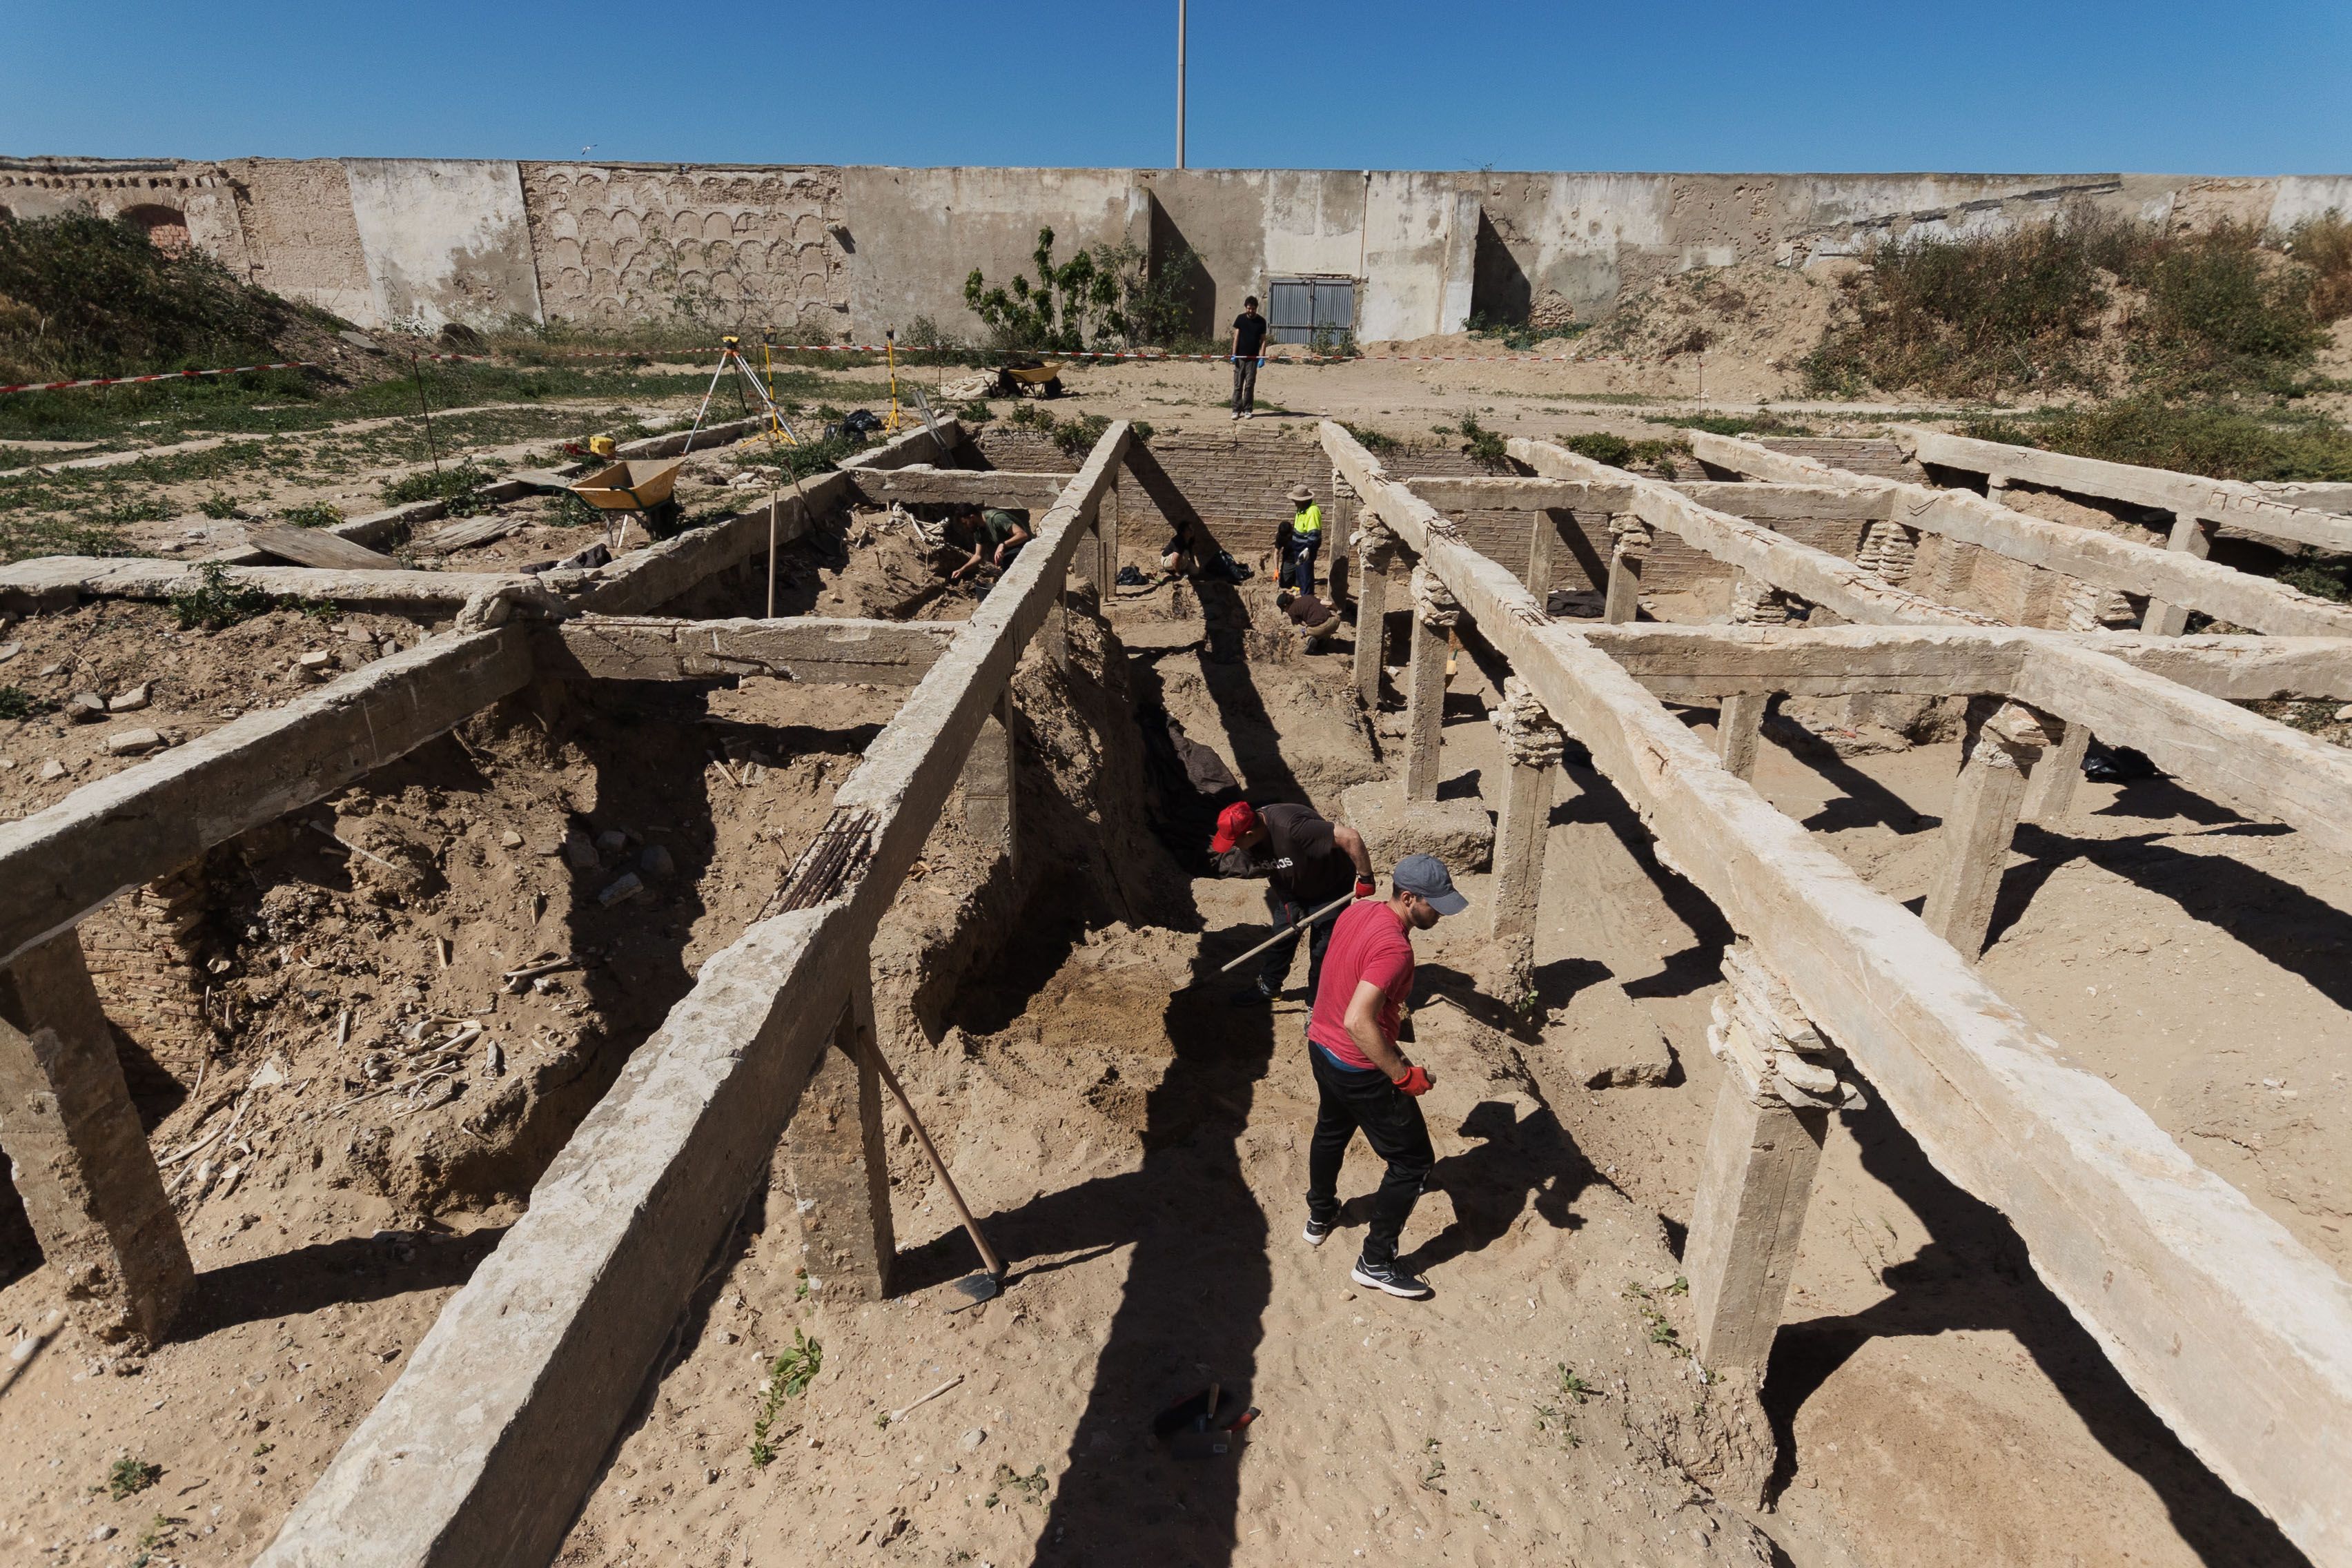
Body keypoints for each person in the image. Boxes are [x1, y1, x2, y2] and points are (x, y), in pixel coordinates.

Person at [1302, 854, 1467, 1300]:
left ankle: (1320, 1216)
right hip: (1359, 1065)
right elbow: (1360, 1020)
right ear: (1409, 897)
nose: (1441, 914)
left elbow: (1340, 975)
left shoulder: (1358, 912)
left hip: (1321, 1044)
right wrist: (1402, 1075)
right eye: (1435, 905)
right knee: (1413, 1163)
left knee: (1331, 1130)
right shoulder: (1396, 948)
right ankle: (1375, 1262)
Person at [1211, 799, 1375, 1007]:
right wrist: (1288, 901)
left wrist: (1366, 877)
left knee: (1322, 951)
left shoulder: (1292, 827)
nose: (1233, 847)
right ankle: (1269, 988)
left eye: (1234, 841)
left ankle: (1317, 1005)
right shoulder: (1250, 841)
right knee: (1282, 936)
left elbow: (1350, 836)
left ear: (1249, 834)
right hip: (1293, 889)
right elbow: (1273, 868)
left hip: (1330, 889)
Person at [947, 502, 1028, 582]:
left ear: (972, 517)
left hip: (1026, 547)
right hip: (1010, 552)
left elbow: (1023, 535)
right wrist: (962, 570)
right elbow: (978, 556)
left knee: (1009, 561)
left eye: (965, 523)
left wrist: (1003, 545)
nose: (965, 527)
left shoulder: (997, 519)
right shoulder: (979, 530)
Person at [1231, 295, 1270, 420]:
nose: (1251, 311)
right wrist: (1233, 354)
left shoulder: (1261, 322)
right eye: (1249, 308)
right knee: (1238, 385)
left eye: (1253, 309)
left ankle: (1248, 409)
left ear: (1256, 308)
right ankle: (1236, 410)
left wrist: (1262, 357)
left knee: (1250, 385)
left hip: (1253, 359)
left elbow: (1263, 341)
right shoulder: (1240, 319)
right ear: (1245, 308)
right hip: (1240, 358)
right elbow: (1236, 337)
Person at [1280, 483, 1323, 592]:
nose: (1294, 503)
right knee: (1301, 576)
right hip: (1298, 548)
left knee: (1305, 577)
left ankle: (1307, 598)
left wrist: (1307, 550)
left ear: (1303, 500)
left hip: (1305, 549)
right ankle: (1304, 595)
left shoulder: (1312, 511)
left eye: (1296, 500)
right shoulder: (1301, 509)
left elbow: (1314, 535)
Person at [1277, 589, 1342, 649]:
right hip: (1334, 621)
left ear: (1286, 606)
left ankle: (1309, 640)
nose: (1285, 611)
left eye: (1284, 609)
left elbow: (1304, 624)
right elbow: (1330, 603)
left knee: (1301, 631)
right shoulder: (1308, 597)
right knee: (1328, 612)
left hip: (1320, 629)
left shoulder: (1291, 611)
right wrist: (1337, 610)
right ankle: (1324, 639)